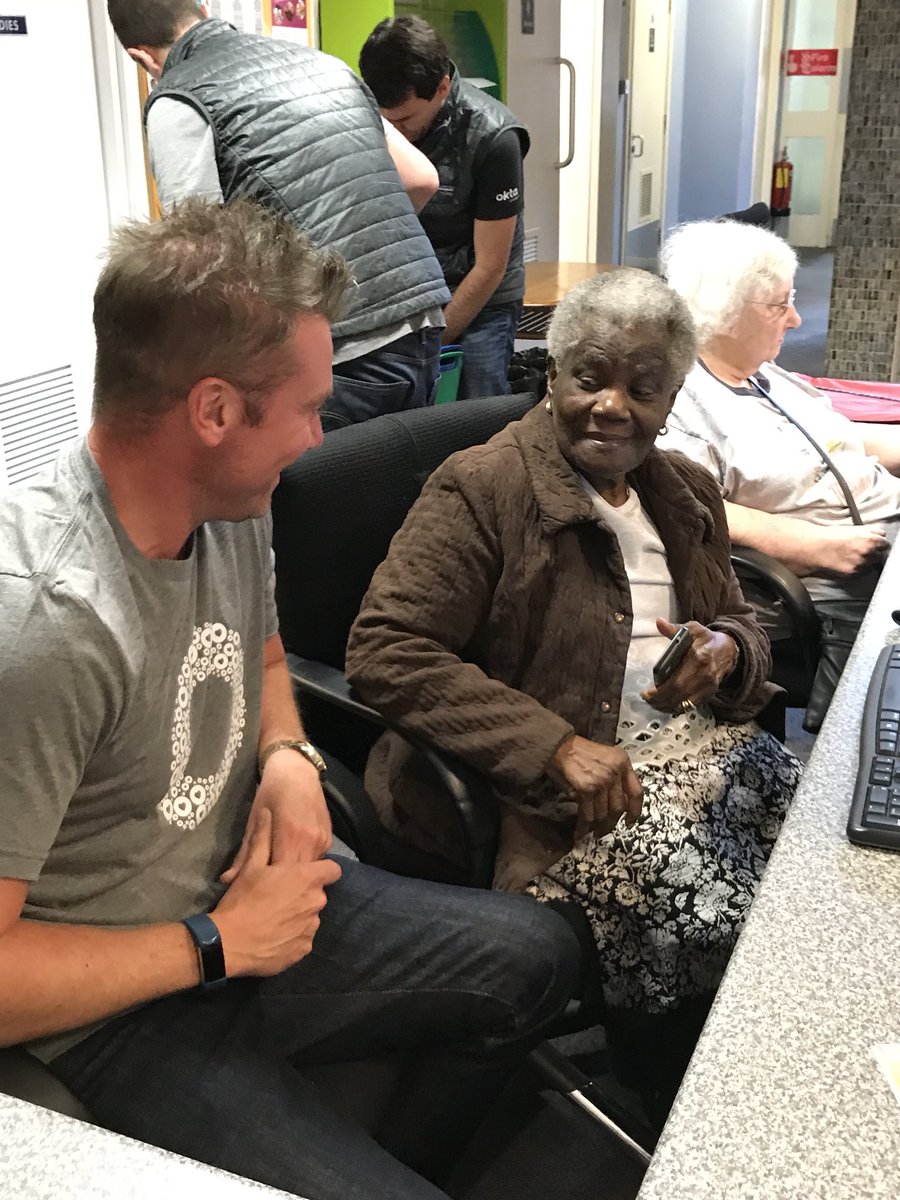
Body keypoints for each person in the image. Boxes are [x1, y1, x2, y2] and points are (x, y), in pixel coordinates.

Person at [0, 199, 581, 1200]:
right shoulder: (48, 626)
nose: (316, 441)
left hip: (253, 910)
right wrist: (217, 945)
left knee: (540, 957)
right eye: (307, 409)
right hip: (117, 1008)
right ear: (214, 411)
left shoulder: (226, 503)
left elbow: (261, 656)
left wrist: (287, 757)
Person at [345, 268, 801, 1121]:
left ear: (671, 399)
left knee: (811, 875)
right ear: (552, 374)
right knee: (724, 918)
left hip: (701, 754)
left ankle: (772, 1074)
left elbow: (741, 618)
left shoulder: (684, 490)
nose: (612, 406)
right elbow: (385, 650)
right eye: (590, 377)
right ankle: (696, 1101)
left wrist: (726, 650)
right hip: (555, 799)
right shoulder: (483, 488)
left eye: (643, 387)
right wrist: (552, 747)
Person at [107, 0, 451, 433]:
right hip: (420, 321)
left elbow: (200, 257)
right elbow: (421, 179)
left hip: (336, 343)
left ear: (141, 58)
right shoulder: (324, 66)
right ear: (205, 11)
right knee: (402, 473)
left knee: (306, 478)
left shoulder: (179, 97)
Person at [661, 219, 900, 730]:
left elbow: (839, 439)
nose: (795, 318)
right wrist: (810, 545)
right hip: (849, 568)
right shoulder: (682, 404)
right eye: (779, 304)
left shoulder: (763, 374)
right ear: (724, 311)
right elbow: (693, 506)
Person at [359, 16, 529, 401]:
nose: (397, 133)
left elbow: (490, 266)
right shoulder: (377, 115)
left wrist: (433, 343)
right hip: (415, 286)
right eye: (387, 122)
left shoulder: (495, 137)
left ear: (443, 87)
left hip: (482, 291)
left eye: (406, 120)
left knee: (479, 408)